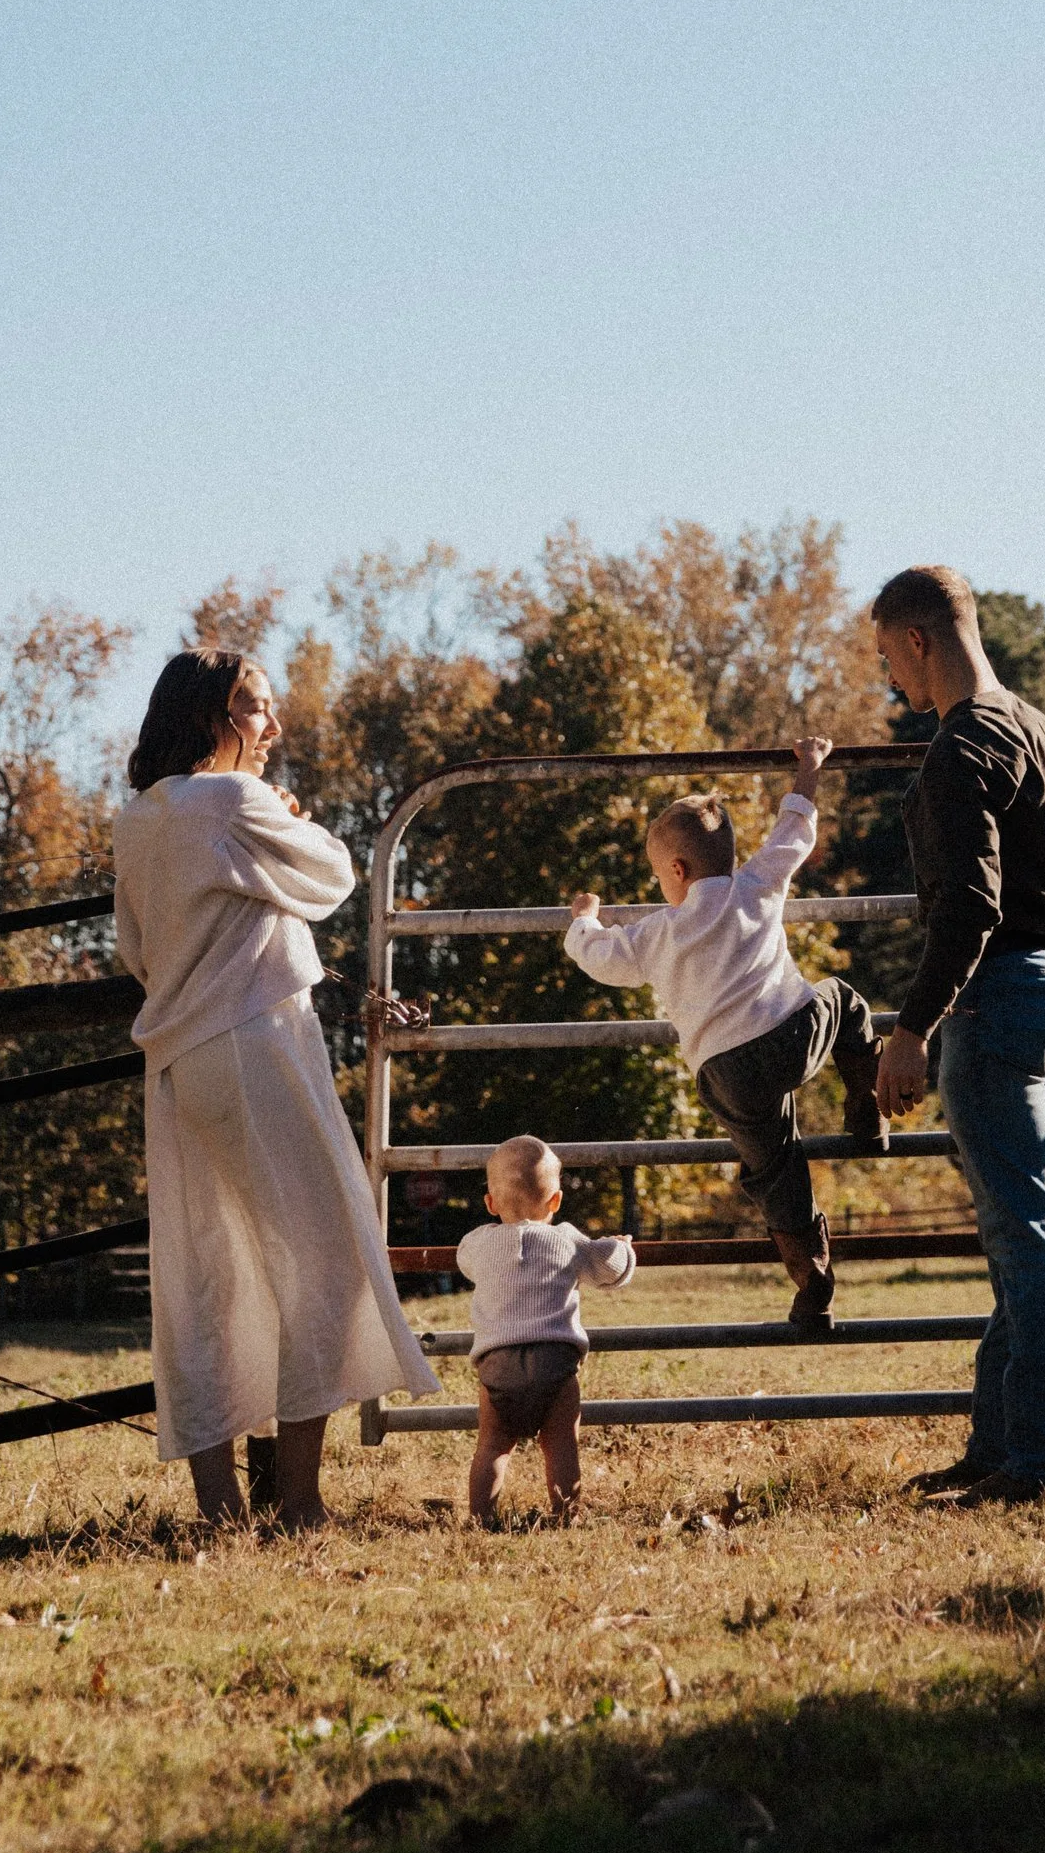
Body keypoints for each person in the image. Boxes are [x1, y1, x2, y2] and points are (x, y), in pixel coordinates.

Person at [113, 647, 434, 1530]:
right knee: (327, 1263)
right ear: (213, 715)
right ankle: (298, 1501)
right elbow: (331, 877)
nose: (272, 726)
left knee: (209, 1273)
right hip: (256, 1041)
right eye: (256, 707)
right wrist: (284, 816)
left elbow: (134, 954)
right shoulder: (234, 802)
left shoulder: (139, 821)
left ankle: (221, 1507)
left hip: (180, 1060)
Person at [870, 566, 1045, 1501]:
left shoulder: (961, 749)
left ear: (919, 641)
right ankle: (1004, 1446)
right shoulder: (1039, 729)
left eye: (889, 658)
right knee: (1019, 1231)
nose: (892, 683)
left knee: (1026, 1237)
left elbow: (967, 905)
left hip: (997, 1001)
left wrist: (911, 1026)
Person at [563, 735, 885, 1332]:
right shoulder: (757, 883)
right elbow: (796, 830)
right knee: (842, 998)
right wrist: (808, 770)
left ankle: (812, 1284)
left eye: (660, 875)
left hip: (725, 1073)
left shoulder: (659, 932)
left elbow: (603, 960)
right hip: (791, 1035)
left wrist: (584, 919)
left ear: (677, 871)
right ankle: (867, 1105)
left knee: (775, 1169)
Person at [454, 1132, 636, 1526]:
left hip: (497, 1365)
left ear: (489, 1203)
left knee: (492, 1447)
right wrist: (622, 1245)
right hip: (555, 1363)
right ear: (556, 1201)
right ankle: (565, 1515)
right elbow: (611, 1267)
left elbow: (464, 1260)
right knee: (560, 1446)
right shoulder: (567, 1240)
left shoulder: (478, 1243)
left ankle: (481, 1520)